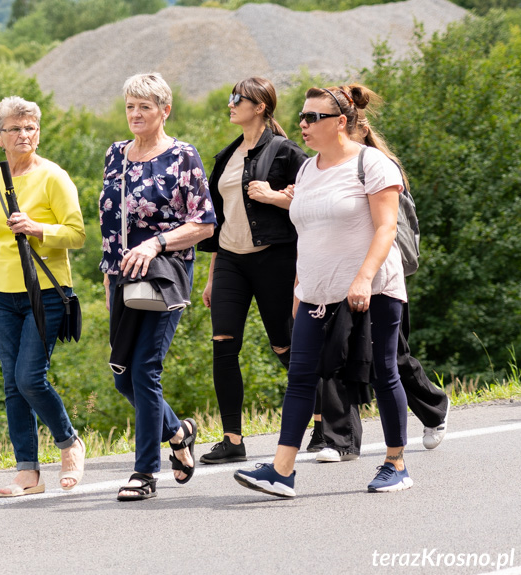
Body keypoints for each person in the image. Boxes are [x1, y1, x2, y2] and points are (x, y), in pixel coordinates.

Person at [234, 84, 414, 496]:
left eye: (313, 117)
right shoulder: (306, 170)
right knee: (300, 377)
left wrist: (364, 278)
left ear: (339, 123)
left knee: (384, 372)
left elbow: (386, 227)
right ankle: (282, 471)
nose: (303, 124)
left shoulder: (373, 164)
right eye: (302, 116)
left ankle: (396, 462)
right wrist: (300, 286)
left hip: (374, 286)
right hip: (317, 290)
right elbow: (307, 233)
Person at [0, 96, 86, 497]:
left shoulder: (54, 177)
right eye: (14, 128)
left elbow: (78, 234)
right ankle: (28, 471)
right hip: (2, 293)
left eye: (30, 127)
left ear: (38, 132)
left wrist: (36, 227)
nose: (23, 135)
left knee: (30, 376)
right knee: (12, 383)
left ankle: (69, 444)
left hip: (46, 290)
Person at [100, 73, 215, 501]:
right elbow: (111, 223)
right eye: (130, 106)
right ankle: (179, 431)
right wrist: (109, 277)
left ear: (165, 110)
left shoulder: (183, 156)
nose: (135, 114)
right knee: (122, 375)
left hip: (165, 274)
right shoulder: (116, 155)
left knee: (146, 367)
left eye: (144, 107)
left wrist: (156, 243)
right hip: (121, 276)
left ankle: (144, 472)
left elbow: (204, 223)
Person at [314, 111, 449, 463]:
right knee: (334, 352)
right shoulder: (323, 168)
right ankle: (340, 439)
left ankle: (434, 407)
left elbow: (389, 229)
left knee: (391, 361)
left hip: (382, 279)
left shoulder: (377, 167)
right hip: (339, 277)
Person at [196, 77, 307, 464]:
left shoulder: (285, 152)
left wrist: (275, 197)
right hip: (230, 259)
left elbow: (314, 198)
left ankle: (327, 418)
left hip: (273, 258)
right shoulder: (226, 156)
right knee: (223, 344)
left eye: (236, 99)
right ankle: (232, 439)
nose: (230, 104)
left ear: (259, 106)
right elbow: (219, 218)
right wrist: (212, 275)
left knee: (284, 344)